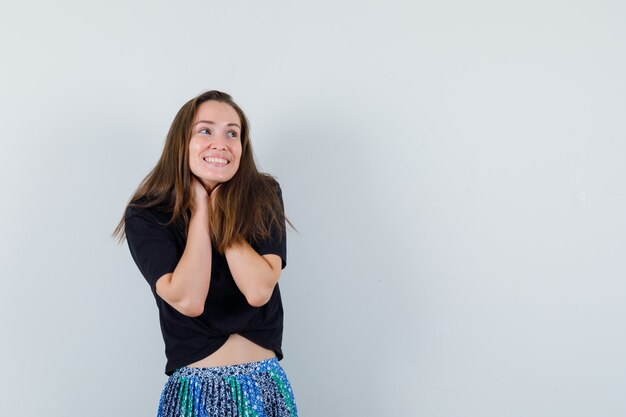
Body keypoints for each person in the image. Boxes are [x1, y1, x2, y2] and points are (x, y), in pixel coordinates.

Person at [112, 90, 298, 416]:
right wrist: (199, 209)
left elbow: (257, 290)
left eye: (232, 133)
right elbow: (189, 299)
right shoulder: (147, 214)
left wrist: (219, 210)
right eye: (205, 130)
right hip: (195, 394)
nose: (221, 142)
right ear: (182, 142)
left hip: (264, 387)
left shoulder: (263, 194)